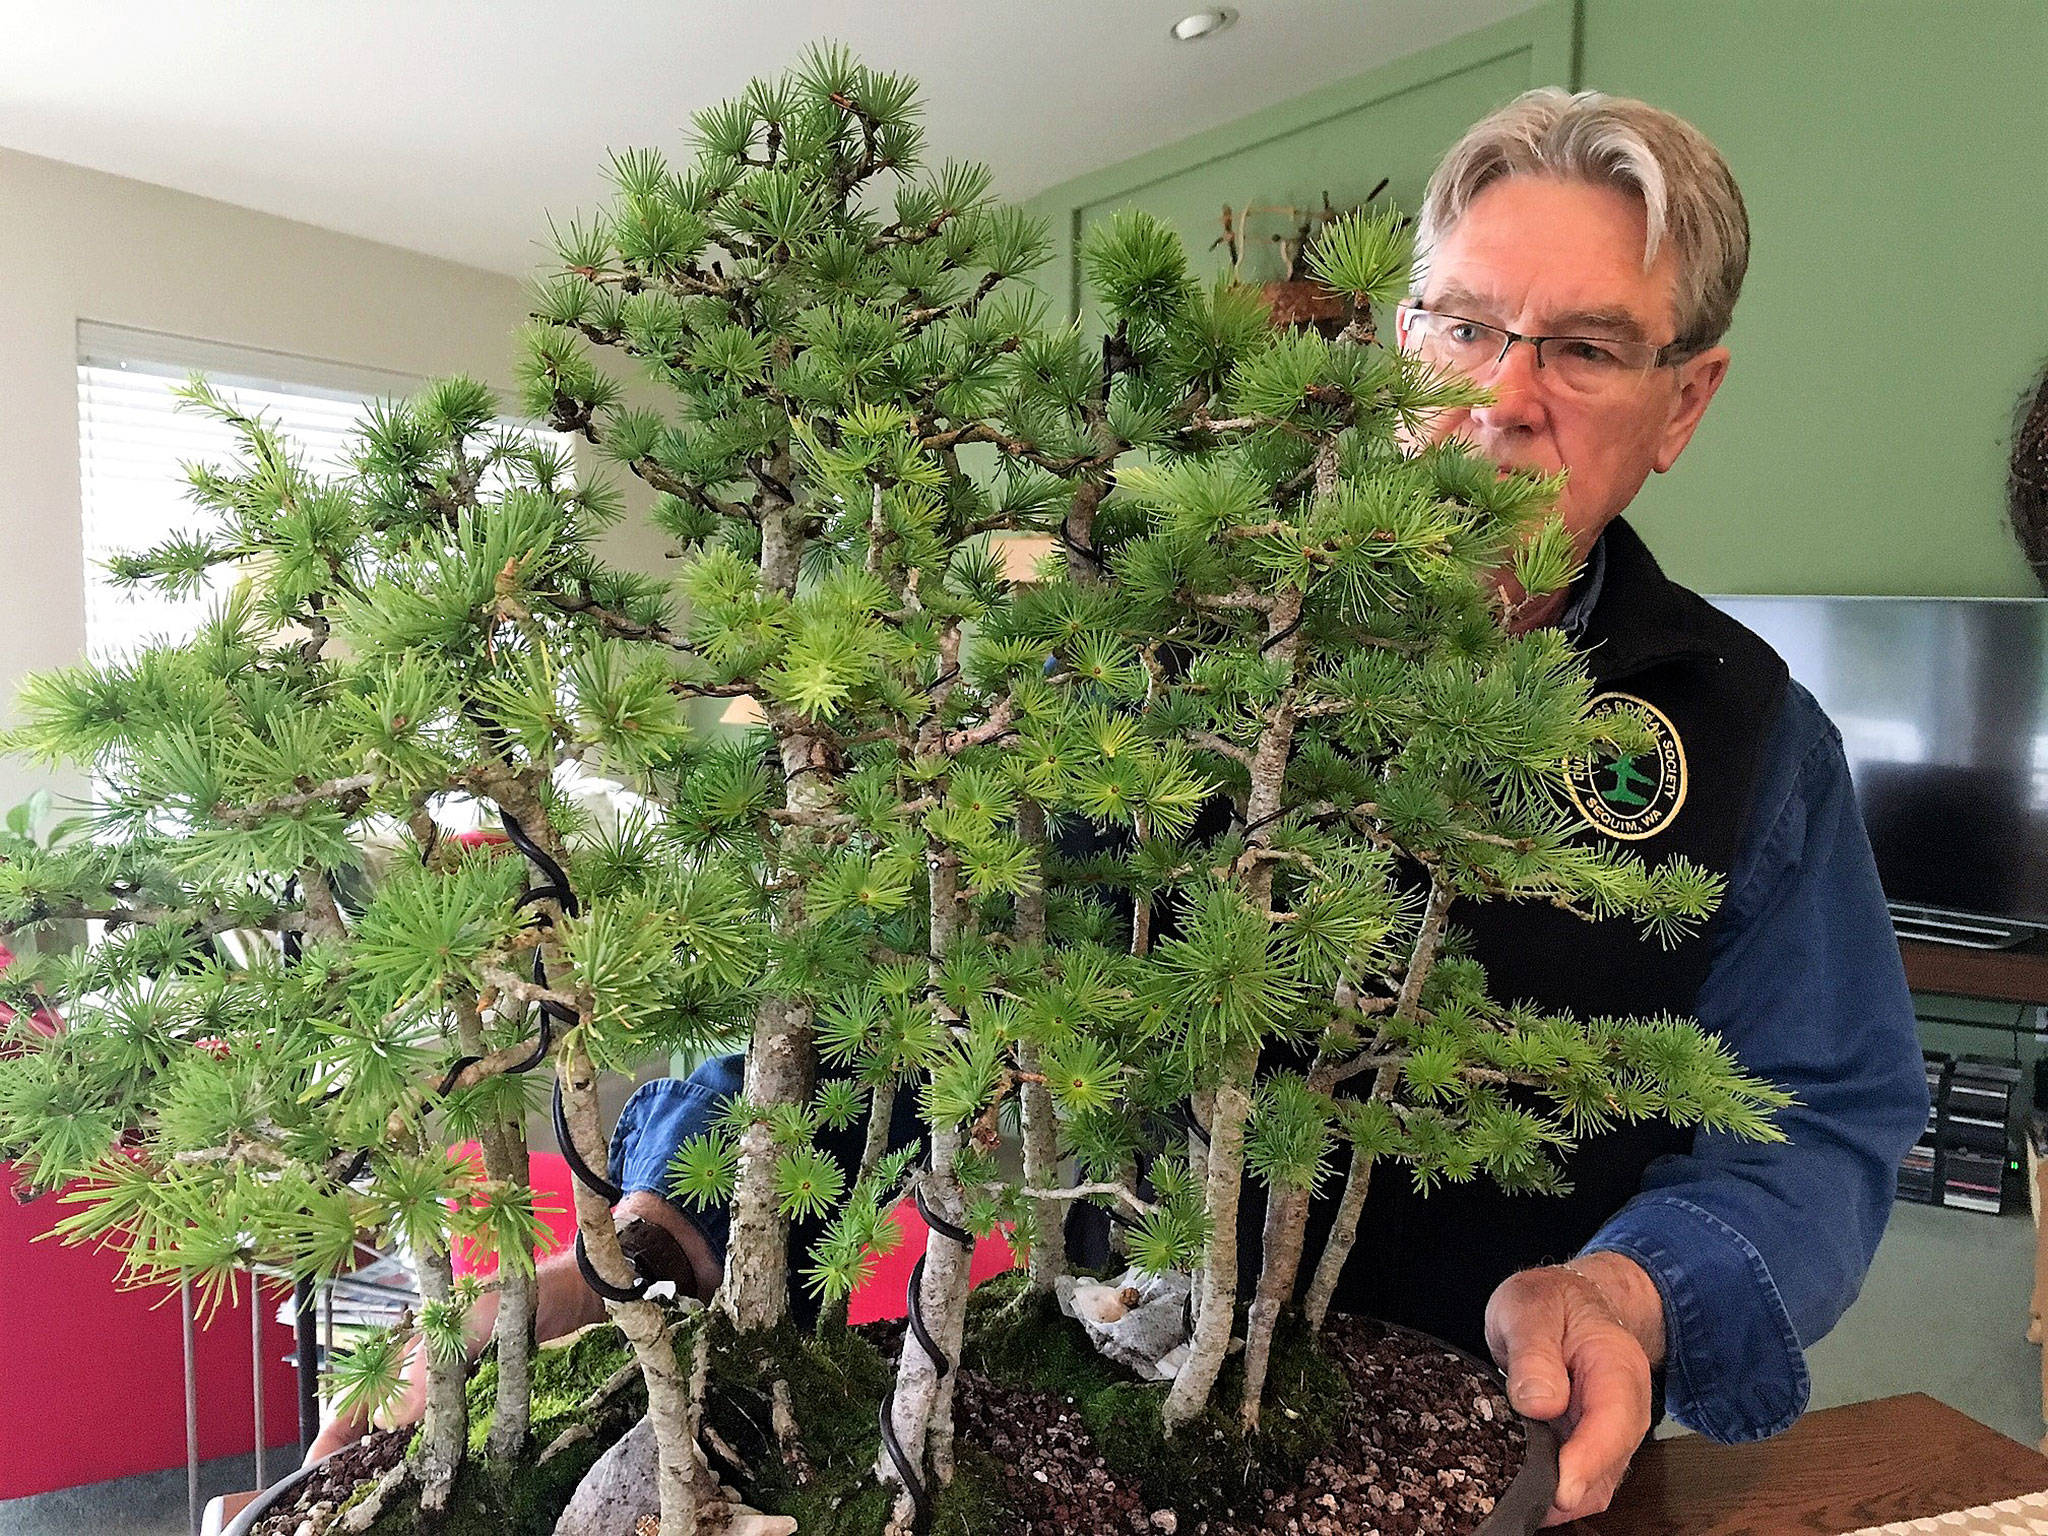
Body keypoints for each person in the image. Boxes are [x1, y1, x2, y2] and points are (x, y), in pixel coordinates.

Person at [316, 89, 1929, 1528]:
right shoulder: (1162, 657)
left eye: (1584, 346)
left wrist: (1637, 1293)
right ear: (1394, 346)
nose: (1506, 395)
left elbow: (1825, 1111)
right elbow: (898, 989)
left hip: (1516, 1460)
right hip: (1125, 1396)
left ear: (1685, 401)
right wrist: (645, 1246)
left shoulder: (1742, 735)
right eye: (1462, 326)